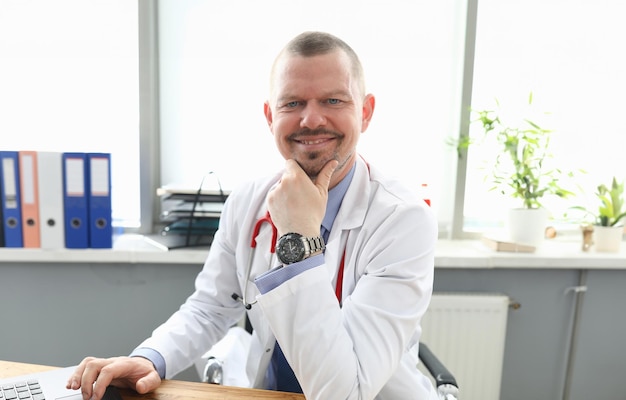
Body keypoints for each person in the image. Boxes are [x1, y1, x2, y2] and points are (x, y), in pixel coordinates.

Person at [68, 31, 438, 400]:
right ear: (269, 116)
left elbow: (343, 394)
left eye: (333, 100)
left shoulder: (402, 220)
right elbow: (211, 307)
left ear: (366, 112)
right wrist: (152, 358)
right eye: (292, 103)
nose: (311, 119)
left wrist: (299, 236)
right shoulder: (248, 199)